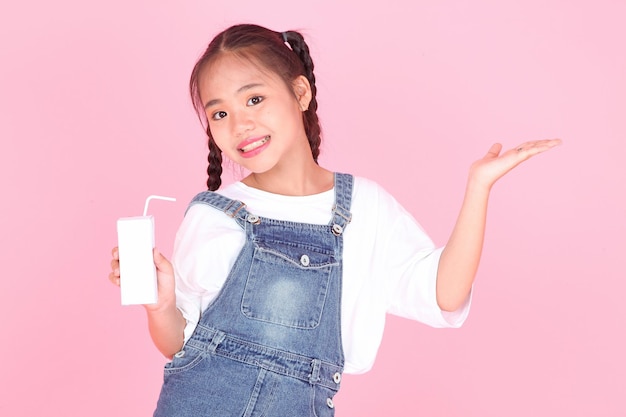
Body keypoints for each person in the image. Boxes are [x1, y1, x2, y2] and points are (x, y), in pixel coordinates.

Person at [108, 23, 561, 416]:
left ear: (300, 92)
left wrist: (478, 188)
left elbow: (444, 294)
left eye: (255, 99)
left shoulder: (366, 207)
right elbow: (178, 346)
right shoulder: (212, 214)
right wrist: (160, 305)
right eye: (220, 113)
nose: (240, 124)